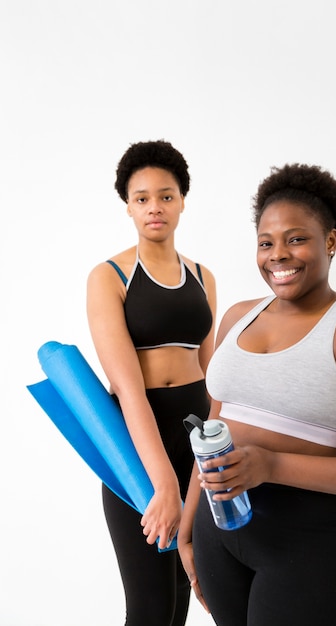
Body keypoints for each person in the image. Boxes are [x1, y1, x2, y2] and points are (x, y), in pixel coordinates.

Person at [178, 163, 336, 626]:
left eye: (295, 239)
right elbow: (213, 428)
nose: (278, 255)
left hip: (305, 541)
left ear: (330, 240)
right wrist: (190, 529)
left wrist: (270, 465)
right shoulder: (236, 317)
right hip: (219, 527)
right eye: (266, 242)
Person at [86, 140, 216, 626]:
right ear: (128, 206)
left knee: (183, 598)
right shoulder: (109, 276)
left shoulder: (204, 276)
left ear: (182, 199)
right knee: (149, 606)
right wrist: (164, 483)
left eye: (165, 195)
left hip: (197, 442)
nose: (154, 207)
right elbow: (128, 387)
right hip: (137, 450)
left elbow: (213, 377)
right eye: (142, 198)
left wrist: (211, 461)